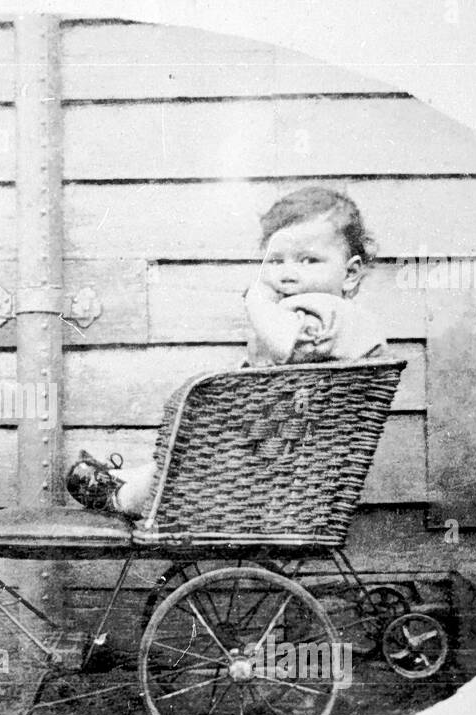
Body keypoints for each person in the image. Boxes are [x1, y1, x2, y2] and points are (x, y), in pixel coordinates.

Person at [67, 186, 388, 517]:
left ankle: (126, 498)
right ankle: (129, 479)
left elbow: (283, 346)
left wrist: (257, 299)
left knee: (198, 452)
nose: (288, 272)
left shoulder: (329, 312)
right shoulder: (315, 312)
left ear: (350, 274)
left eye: (309, 260)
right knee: (192, 451)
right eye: (276, 260)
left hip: (287, 447)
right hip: (285, 442)